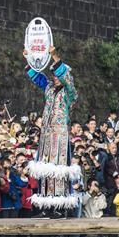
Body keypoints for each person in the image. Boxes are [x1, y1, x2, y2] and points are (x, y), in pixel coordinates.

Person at [24, 46, 78, 208]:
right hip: (46, 134)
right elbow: (37, 77)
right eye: (53, 75)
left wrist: (54, 55)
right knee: (45, 168)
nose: (54, 78)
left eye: (57, 75)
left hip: (60, 135)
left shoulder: (70, 93)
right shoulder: (49, 88)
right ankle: (47, 205)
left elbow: (67, 78)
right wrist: (29, 59)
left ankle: (59, 206)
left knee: (59, 169)